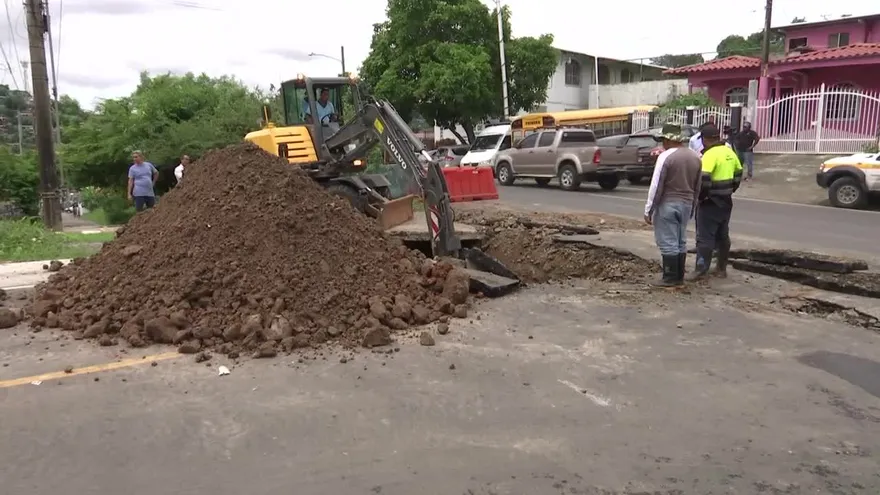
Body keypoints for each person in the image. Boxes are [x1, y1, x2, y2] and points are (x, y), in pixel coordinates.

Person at [644, 123, 703, 287]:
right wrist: (693, 206)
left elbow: (656, 185)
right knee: (680, 240)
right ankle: (679, 277)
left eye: (663, 140)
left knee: (668, 241)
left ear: (669, 140)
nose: (662, 143)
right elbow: (698, 185)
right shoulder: (695, 156)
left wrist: (649, 209)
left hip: (668, 204)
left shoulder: (666, 156)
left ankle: (670, 277)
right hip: (687, 203)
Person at [690, 124, 743, 280]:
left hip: (710, 202)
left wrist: (702, 197)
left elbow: (704, 179)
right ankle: (721, 269)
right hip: (726, 200)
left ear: (705, 140)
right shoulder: (729, 152)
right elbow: (738, 173)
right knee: (722, 235)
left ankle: (700, 269)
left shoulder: (710, 155)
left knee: (705, 237)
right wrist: (730, 190)